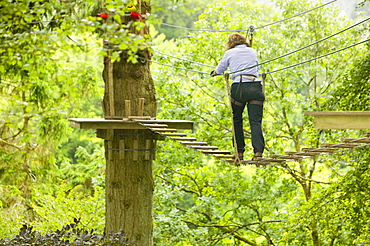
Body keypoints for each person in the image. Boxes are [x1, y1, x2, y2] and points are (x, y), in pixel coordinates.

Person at [210, 33, 265, 160]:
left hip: (239, 87)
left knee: (237, 120)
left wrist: (214, 73)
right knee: (255, 122)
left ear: (230, 43)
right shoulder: (252, 51)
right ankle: (258, 152)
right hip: (255, 86)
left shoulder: (229, 53)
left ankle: (239, 152)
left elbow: (220, 69)